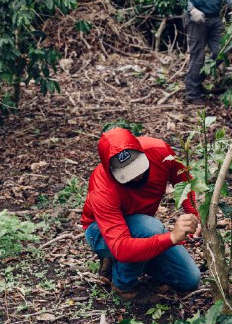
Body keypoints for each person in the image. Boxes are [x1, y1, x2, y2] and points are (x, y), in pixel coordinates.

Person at [81, 127, 201, 304]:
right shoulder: (102, 188)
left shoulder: (159, 151)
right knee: (149, 228)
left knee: (189, 279)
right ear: (110, 170)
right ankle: (124, 286)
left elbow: (183, 179)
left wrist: (193, 214)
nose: (136, 176)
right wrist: (171, 238)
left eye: (138, 167)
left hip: (142, 228)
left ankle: (130, 259)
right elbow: (122, 246)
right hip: (101, 232)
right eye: (127, 173)